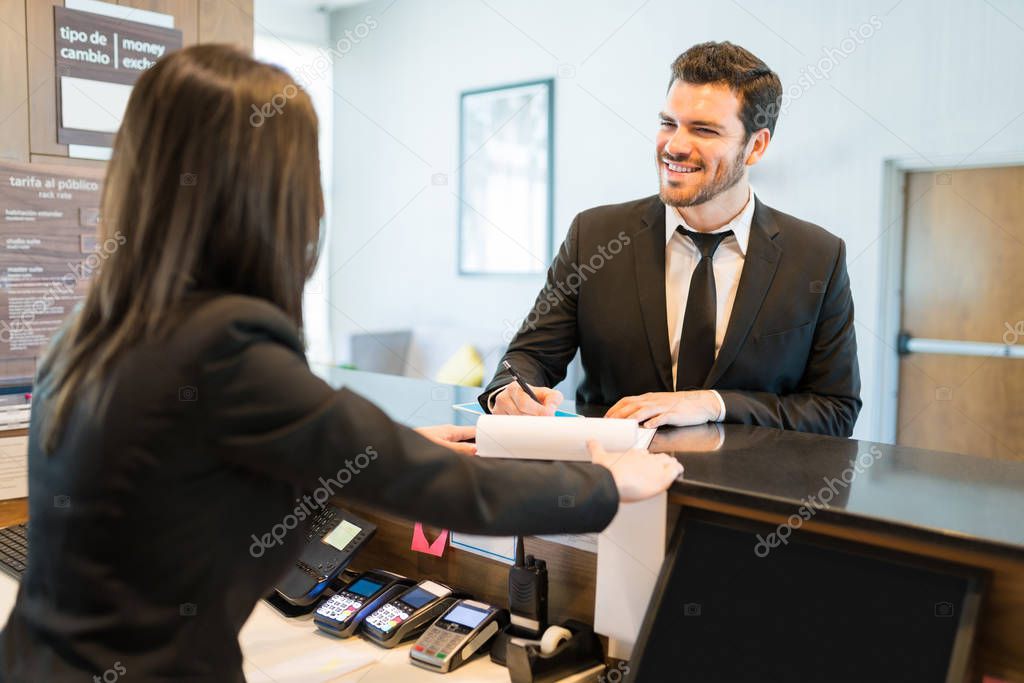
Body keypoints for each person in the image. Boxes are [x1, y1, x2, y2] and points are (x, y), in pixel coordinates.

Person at [0, 45, 682, 682]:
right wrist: (606, 481)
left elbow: (217, 456)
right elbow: (457, 493)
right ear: (272, 195)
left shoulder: (100, 326)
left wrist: (386, 445)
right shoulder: (225, 346)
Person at [481, 41, 861, 437]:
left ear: (756, 146)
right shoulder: (594, 236)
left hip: (747, 493)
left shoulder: (818, 256)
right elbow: (528, 356)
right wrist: (508, 389)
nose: (675, 145)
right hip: (611, 486)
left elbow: (835, 409)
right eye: (668, 123)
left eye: (704, 130)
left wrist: (713, 403)